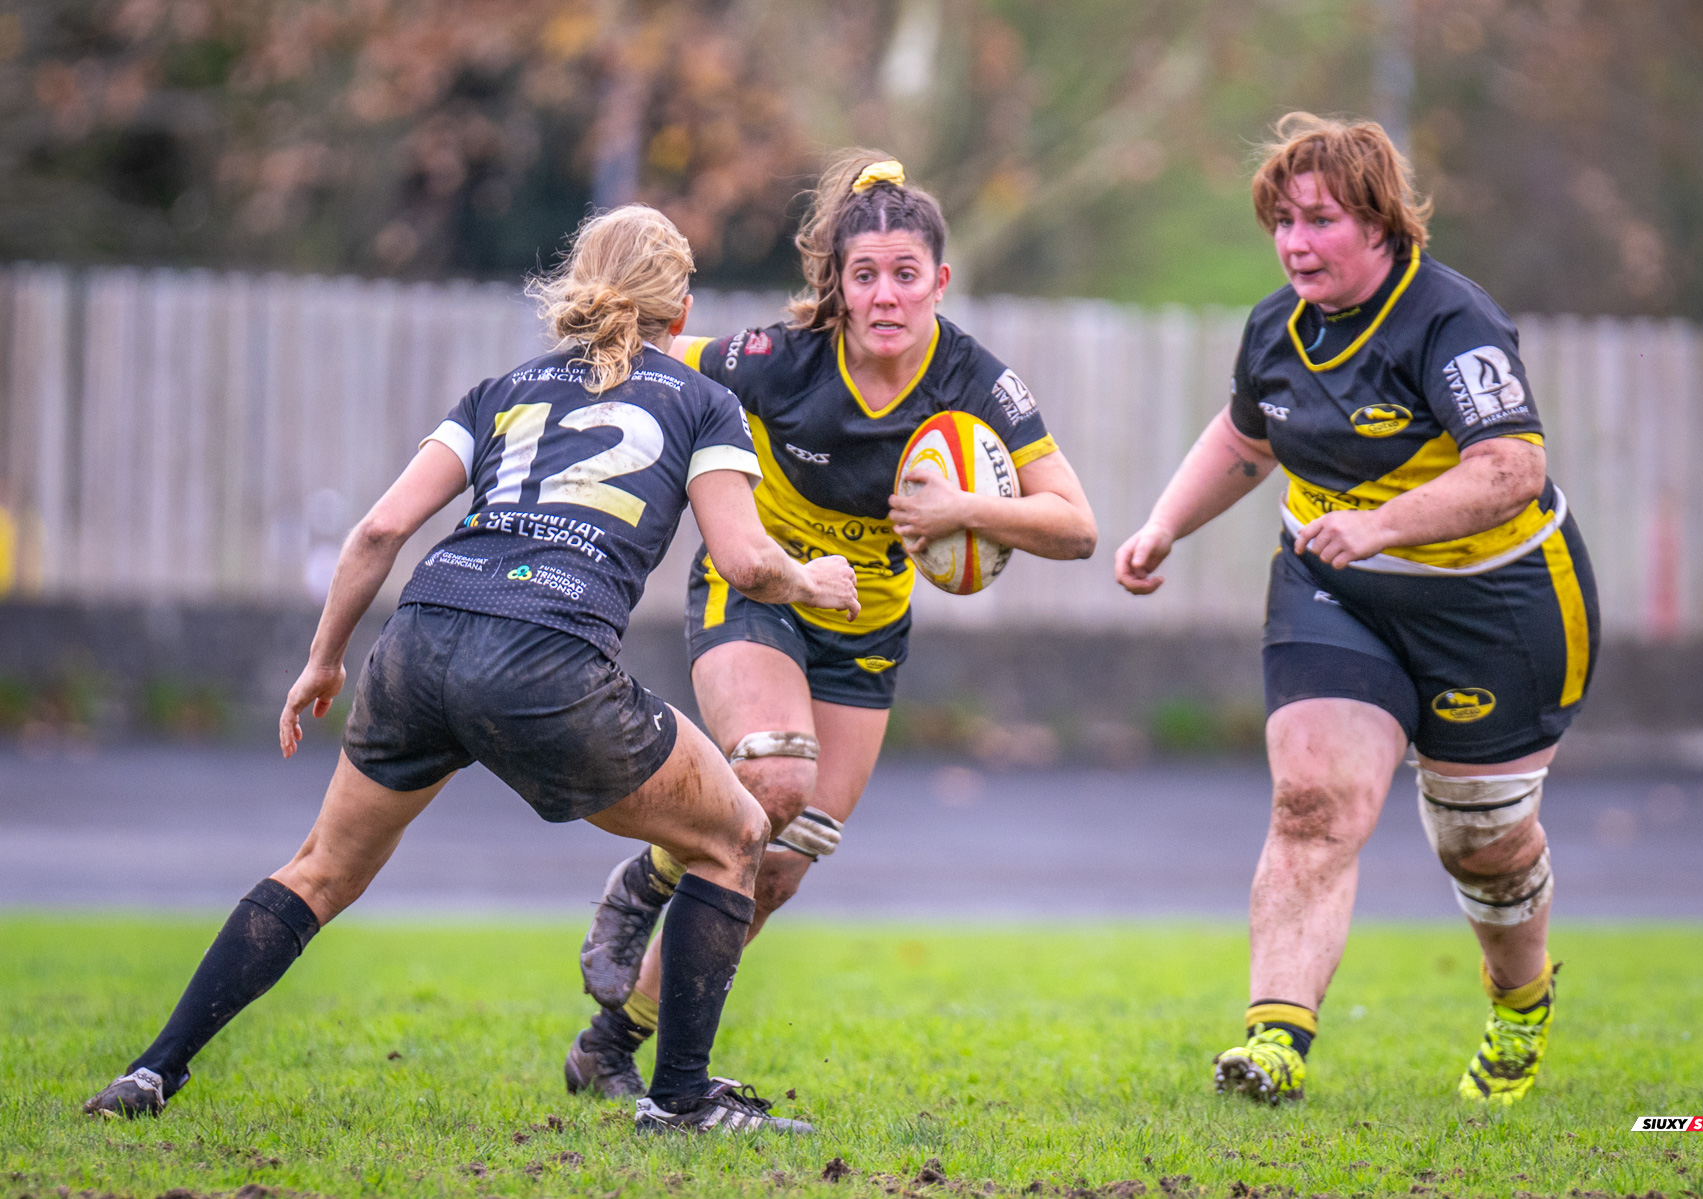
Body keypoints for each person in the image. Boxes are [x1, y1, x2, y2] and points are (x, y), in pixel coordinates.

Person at [81, 205, 859, 1134]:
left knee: (321, 870)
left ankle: (150, 1071)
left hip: (417, 641)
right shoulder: (700, 400)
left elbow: (378, 530)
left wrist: (324, 658)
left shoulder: (500, 390)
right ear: (680, 306)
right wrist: (812, 579)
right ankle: (684, 1100)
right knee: (733, 832)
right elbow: (743, 559)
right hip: (544, 658)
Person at [564, 150, 1098, 1097]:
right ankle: (647, 878)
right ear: (839, 288)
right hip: (761, 595)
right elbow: (652, 364)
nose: (886, 294)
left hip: (867, 632)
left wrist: (965, 514)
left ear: (939, 279)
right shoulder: (782, 360)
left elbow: (1077, 525)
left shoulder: (976, 380)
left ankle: (614, 1042)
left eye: (905, 274)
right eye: (865, 276)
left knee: (778, 865)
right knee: (769, 776)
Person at [1116, 114, 1598, 1106]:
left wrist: (1382, 524)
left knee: (1483, 843)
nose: (1295, 242)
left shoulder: (1449, 321)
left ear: (1382, 222)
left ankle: (1521, 1001)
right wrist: (1165, 523)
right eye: (1282, 222)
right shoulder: (1276, 328)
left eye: (1320, 219)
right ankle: (1275, 1039)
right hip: (1335, 588)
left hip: (1496, 606)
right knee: (1312, 805)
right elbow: (1248, 439)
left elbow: (1512, 468)